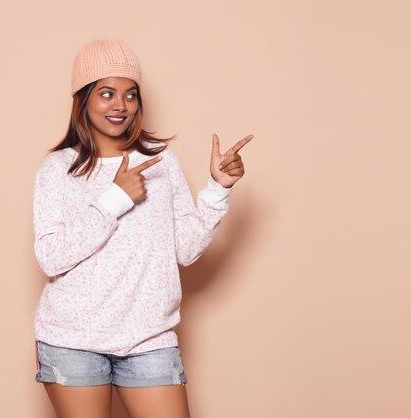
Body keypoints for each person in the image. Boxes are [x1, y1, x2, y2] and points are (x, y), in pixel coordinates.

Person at [32, 38, 253, 418]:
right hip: (73, 341)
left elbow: (185, 250)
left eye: (130, 95)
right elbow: (51, 257)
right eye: (106, 93)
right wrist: (115, 199)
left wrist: (217, 190)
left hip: (150, 339)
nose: (120, 105)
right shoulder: (59, 169)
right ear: (83, 99)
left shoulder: (162, 161)